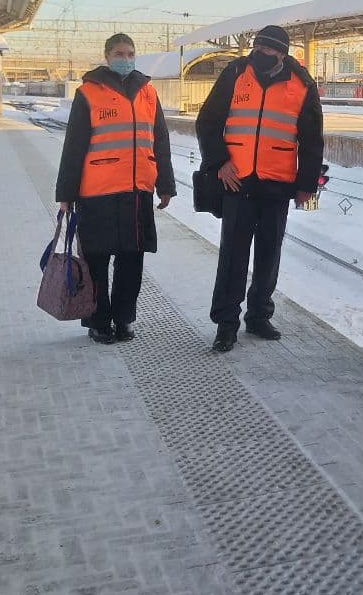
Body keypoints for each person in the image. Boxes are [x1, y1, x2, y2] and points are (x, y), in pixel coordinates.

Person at [196, 24, 324, 352]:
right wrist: (219, 162)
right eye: (259, 47)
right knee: (233, 257)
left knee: (269, 254)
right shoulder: (235, 73)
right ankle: (226, 324)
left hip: (277, 183)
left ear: (283, 52)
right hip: (237, 179)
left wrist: (307, 184)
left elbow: (312, 139)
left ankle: (258, 316)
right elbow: (208, 121)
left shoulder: (302, 83)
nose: (263, 54)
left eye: (271, 50)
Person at [55, 33, 175, 344]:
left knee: (131, 260)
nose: (125, 58)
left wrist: (165, 185)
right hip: (97, 191)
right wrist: (66, 195)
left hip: (137, 190)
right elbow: (74, 146)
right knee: (96, 260)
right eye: (119, 53)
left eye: (130, 53)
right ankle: (98, 321)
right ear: (107, 57)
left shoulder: (148, 93)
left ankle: (124, 319)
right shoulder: (88, 93)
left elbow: (160, 141)